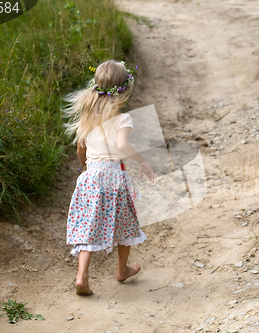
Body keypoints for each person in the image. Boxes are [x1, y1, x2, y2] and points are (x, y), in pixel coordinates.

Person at [63, 60, 154, 296]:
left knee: (89, 226)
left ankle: (82, 275)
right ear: (125, 90)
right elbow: (122, 145)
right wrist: (142, 160)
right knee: (125, 224)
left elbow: (80, 150)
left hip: (90, 177)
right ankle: (122, 269)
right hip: (114, 178)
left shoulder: (87, 118)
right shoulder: (123, 119)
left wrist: (85, 167)